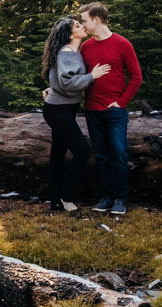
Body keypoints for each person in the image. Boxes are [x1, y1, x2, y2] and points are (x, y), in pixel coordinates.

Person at [77, 2, 141, 214]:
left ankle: (121, 199)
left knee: (119, 154)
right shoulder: (86, 47)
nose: (82, 25)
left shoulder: (122, 43)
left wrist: (121, 103)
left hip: (114, 112)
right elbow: (79, 76)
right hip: (92, 110)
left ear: (96, 20)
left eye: (85, 20)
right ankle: (106, 197)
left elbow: (136, 76)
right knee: (101, 155)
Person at [41, 16, 111, 211]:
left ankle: (55, 201)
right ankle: (66, 198)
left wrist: (51, 88)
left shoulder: (73, 51)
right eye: (78, 26)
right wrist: (92, 76)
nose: (82, 26)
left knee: (58, 154)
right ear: (70, 33)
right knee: (82, 151)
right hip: (58, 110)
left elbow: (58, 80)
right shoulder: (67, 53)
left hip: (63, 109)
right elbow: (67, 83)